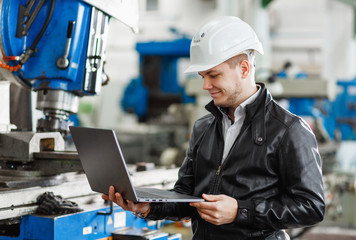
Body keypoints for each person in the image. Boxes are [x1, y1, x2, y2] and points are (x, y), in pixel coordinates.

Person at [102, 16, 325, 240]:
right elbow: (186, 199)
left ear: (244, 69)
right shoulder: (203, 127)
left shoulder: (289, 130)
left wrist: (241, 211)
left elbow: (311, 206)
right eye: (203, 76)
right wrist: (148, 208)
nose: (205, 85)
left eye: (213, 75)